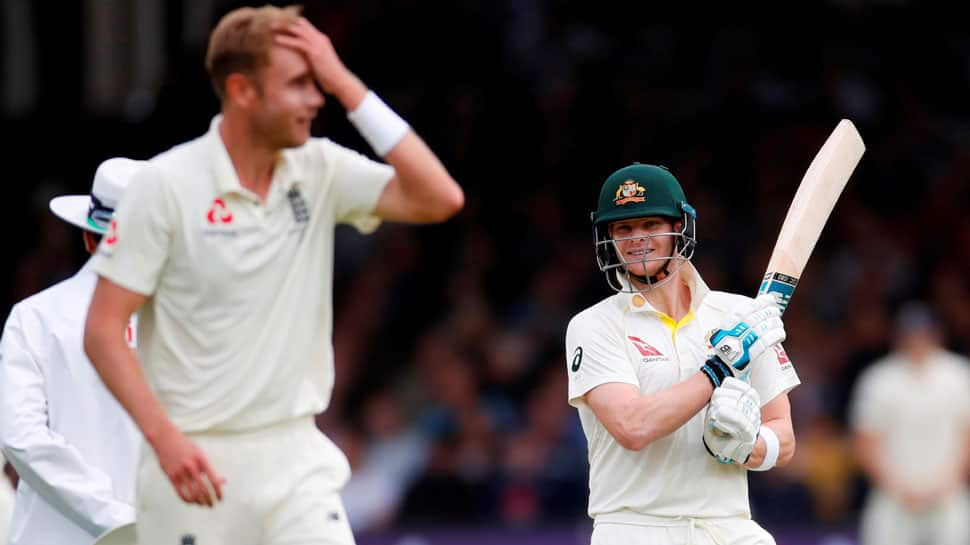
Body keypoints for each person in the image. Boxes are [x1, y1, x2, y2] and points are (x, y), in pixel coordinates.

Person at [82, 5, 463, 545]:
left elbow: (439, 197)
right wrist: (165, 440)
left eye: (319, 82)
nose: (316, 98)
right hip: (193, 466)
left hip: (296, 461)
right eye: (300, 83)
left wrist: (347, 85)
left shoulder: (318, 168)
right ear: (242, 91)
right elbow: (102, 330)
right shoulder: (165, 184)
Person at [565, 163, 801, 544]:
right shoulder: (594, 325)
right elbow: (633, 427)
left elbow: (784, 437)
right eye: (623, 228)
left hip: (728, 525)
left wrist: (747, 446)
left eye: (650, 225)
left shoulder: (741, 316)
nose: (636, 238)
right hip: (635, 527)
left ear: (680, 227)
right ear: (607, 237)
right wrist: (720, 368)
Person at [0, 158, 143, 545]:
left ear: (87, 237)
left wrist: (116, 521)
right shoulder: (187, 328)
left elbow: (22, 439)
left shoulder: (33, 318)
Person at [850, 301, 970, 545]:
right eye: (911, 333)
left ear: (936, 334)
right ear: (899, 336)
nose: (917, 340)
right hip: (894, 497)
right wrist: (899, 487)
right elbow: (865, 443)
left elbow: (967, 434)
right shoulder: (879, 379)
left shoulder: (958, 374)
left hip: (947, 495)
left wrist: (948, 482)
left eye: (923, 332)